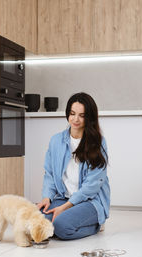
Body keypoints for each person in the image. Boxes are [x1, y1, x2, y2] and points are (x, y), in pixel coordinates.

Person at [37, 92, 110, 240]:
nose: (75, 119)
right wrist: (47, 198)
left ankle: (96, 225)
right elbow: (50, 174)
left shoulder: (98, 142)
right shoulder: (56, 140)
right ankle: (67, 222)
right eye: (72, 113)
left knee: (61, 226)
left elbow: (93, 185)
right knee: (35, 221)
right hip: (63, 198)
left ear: (89, 118)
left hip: (90, 201)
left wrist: (65, 208)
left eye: (82, 115)